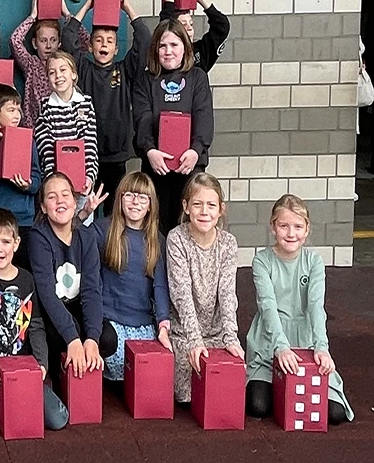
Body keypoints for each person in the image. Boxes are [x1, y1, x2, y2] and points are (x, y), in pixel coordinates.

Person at [245, 194, 353, 424]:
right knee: (258, 406)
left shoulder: (314, 261)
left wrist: (321, 347)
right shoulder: (262, 261)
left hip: (306, 340)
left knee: (334, 414)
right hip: (270, 341)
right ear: (273, 227)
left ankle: (290, 390)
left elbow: (316, 305)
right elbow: (268, 306)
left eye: (297, 227)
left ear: (307, 230)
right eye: (284, 226)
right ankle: (282, 387)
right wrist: (281, 347)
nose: (291, 233)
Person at [0, 209, 69, 431]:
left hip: (21, 367)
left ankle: (15, 397)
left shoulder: (27, 280)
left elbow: (35, 326)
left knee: (58, 420)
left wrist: (41, 363)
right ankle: (1, 397)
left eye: (6, 241)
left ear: (16, 244)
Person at [63, 0, 150, 210]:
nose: (104, 44)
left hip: (116, 158)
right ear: (90, 46)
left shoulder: (124, 71)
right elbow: (67, 38)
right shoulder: (82, 68)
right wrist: (87, 7)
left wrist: (127, 8)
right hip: (87, 156)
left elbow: (144, 40)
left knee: (114, 215)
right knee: (84, 212)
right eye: (99, 40)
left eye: (110, 41)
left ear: (116, 48)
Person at [29, 173, 115, 385]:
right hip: (50, 312)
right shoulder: (38, 237)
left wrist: (92, 339)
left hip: (76, 306)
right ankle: (59, 379)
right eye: (52, 197)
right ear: (42, 207)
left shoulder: (87, 237)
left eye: (65, 194)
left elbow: (92, 290)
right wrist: (73, 339)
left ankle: (85, 377)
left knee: (107, 338)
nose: (60, 201)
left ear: (75, 202)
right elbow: (47, 294)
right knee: (64, 334)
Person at [165, 173, 242, 403]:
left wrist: (231, 337)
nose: (204, 212)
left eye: (211, 205)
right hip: (184, 334)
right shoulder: (176, 239)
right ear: (186, 207)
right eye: (197, 204)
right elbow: (181, 294)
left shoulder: (228, 243)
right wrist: (194, 341)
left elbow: (228, 294)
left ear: (221, 209)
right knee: (188, 397)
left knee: (224, 395)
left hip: (217, 334)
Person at [133, 20, 213, 233]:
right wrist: (149, 150)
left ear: (185, 47)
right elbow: (142, 118)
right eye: (162, 46)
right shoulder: (145, 80)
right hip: (156, 166)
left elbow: (203, 116)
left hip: (190, 165)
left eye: (174, 45)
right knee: (155, 228)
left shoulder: (197, 77)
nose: (168, 51)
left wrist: (196, 150)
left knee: (191, 226)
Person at [93, 172, 171, 381]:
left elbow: (161, 286)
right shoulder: (102, 230)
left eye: (142, 197)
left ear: (150, 205)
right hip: (110, 320)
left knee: (145, 377)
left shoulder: (157, 240)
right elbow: (72, 240)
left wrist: (163, 324)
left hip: (142, 323)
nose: (135, 202)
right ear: (120, 198)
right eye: (129, 195)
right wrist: (83, 214)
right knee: (107, 343)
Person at [0, 84, 41, 268]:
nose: (16, 115)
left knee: (21, 265)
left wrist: (27, 185)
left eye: (18, 110)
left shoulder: (28, 141)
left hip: (22, 217)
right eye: (11, 110)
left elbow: (37, 177)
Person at [35, 51, 99, 201]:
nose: (58, 76)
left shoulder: (86, 103)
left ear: (74, 74)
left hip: (82, 183)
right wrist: (54, 181)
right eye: (52, 72)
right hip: (56, 186)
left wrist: (89, 177)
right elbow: (46, 148)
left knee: (83, 222)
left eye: (63, 70)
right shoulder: (45, 107)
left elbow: (89, 145)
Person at [11, 0, 68, 128]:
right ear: (34, 43)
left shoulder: (65, 64)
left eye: (53, 40)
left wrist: (67, 14)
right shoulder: (31, 63)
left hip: (59, 128)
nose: (48, 46)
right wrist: (32, 17)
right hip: (34, 129)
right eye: (43, 41)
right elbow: (15, 41)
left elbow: (85, 42)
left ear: (59, 43)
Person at [159, 0, 230, 73]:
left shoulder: (199, 52)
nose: (189, 28)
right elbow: (165, 30)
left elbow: (222, 27)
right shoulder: (168, 55)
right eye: (183, 24)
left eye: (191, 24)